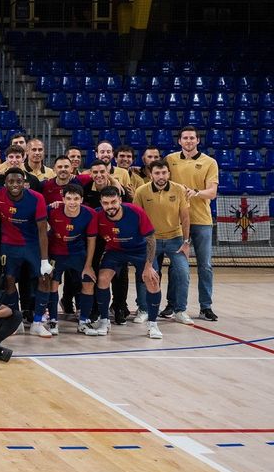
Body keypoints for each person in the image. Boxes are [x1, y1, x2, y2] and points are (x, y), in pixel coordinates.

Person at [89, 186, 163, 339]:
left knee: (153, 280)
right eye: (106, 203)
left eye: (113, 202)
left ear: (120, 200)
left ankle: (153, 324)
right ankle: (104, 321)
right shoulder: (97, 215)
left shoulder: (135, 212)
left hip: (140, 250)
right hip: (116, 251)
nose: (110, 206)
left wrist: (148, 266)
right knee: (102, 279)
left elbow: (151, 239)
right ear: (101, 203)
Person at [164, 126, 219, 321]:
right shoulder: (170, 159)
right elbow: (157, 175)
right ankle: (171, 305)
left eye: (192, 138)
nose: (188, 141)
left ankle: (206, 306)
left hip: (202, 220)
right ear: (179, 141)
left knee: (204, 265)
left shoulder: (209, 162)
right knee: (176, 265)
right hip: (178, 222)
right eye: (185, 138)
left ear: (198, 141)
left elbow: (212, 192)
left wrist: (195, 192)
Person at [0, 168, 50, 336]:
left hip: (32, 245)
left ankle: (37, 322)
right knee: (8, 281)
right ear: (5, 183)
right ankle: (16, 321)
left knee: (44, 278)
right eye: (11, 181)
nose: (15, 185)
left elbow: (42, 231)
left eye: (18, 181)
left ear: (24, 182)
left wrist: (45, 260)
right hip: (9, 245)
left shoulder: (37, 198)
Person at [134, 160, 194, 326]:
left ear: (168, 173)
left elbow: (185, 216)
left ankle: (180, 310)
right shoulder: (141, 191)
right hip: (150, 240)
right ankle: (144, 309)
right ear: (150, 174)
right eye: (157, 173)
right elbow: (136, 219)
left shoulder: (179, 189)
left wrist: (186, 241)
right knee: (149, 274)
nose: (161, 176)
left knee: (183, 273)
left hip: (175, 239)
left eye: (164, 173)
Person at [39, 183, 98, 336]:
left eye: (76, 199)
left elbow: (92, 240)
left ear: (82, 199)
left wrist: (88, 265)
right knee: (52, 284)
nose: (72, 202)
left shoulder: (90, 213)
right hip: (56, 253)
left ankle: (84, 321)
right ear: (62, 199)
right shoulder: (51, 209)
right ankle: (53, 320)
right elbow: (39, 227)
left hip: (78, 253)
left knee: (88, 282)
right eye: (69, 198)